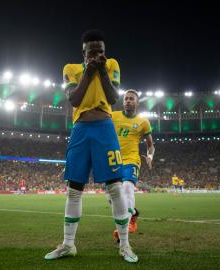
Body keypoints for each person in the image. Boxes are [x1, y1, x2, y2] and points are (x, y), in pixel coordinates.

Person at [45, 29, 138, 263]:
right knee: (74, 189)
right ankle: (68, 244)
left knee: (115, 188)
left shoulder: (112, 65)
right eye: (92, 51)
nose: (97, 55)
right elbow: (74, 99)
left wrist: (101, 71)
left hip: (105, 128)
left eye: (101, 51)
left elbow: (112, 97)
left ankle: (125, 245)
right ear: (83, 52)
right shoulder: (71, 69)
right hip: (80, 129)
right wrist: (88, 71)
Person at [111, 90, 154, 243]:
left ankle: (125, 228)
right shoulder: (113, 116)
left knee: (128, 188)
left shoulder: (143, 122)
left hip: (132, 160)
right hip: (114, 161)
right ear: (123, 102)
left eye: (131, 99)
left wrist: (150, 157)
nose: (128, 101)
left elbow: (150, 145)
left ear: (137, 103)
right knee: (113, 199)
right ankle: (134, 213)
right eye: (126, 99)